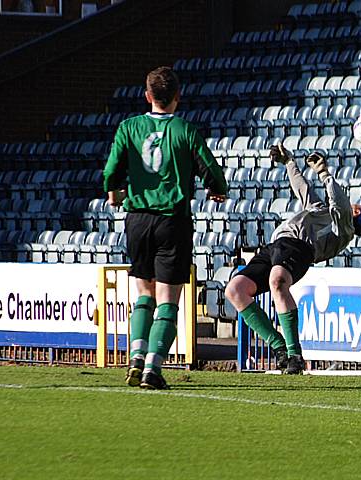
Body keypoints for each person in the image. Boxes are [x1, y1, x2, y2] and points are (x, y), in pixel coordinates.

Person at [103, 66, 227, 390]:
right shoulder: (184, 130)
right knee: (168, 298)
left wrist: (115, 191)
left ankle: (135, 358)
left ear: (147, 96)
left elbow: (112, 169)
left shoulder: (129, 127)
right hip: (172, 220)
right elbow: (209, 167)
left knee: (144, 292)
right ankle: (152, 369)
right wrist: (217, 188)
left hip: (138, 220)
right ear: (177, 97)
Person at [225, 145, 361, 374]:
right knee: (235, 290)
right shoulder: (323, 212)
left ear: (357, 215)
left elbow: (340, 204)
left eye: (358, 209)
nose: (355, 206)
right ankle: (279, 348)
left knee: (277, 281)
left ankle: (295, 355)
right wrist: (289, 163)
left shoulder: (344, 229)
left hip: (299, 248)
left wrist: (325, 174)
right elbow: (303, 189)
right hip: (276, 245)